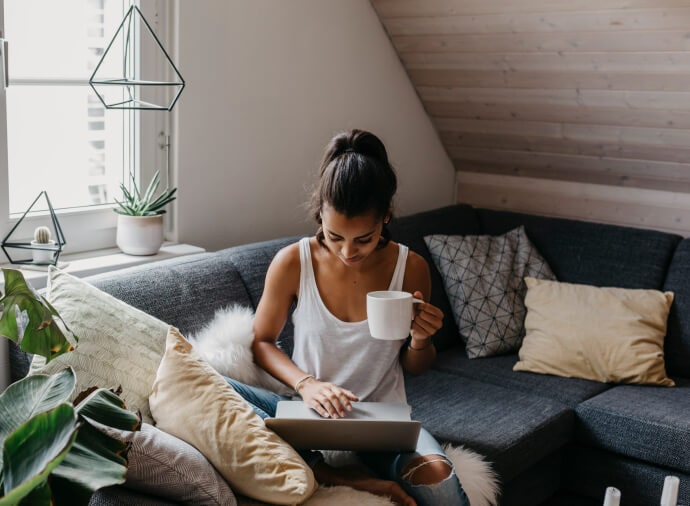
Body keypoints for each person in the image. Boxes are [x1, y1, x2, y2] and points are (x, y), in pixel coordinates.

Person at [225, 129, 470, 506]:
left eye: (364, 239)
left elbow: (417, 366)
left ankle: (336, 472)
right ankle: (338, 475)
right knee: (219, 390)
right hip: (307, 413)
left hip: (381, 421)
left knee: (440, 484)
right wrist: (307, 384)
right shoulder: (293, 262)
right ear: (320, 212)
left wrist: (421, 340)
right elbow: (261, 341)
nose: (347, 251)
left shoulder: (411, 268)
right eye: (335, 235)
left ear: (386, 216)